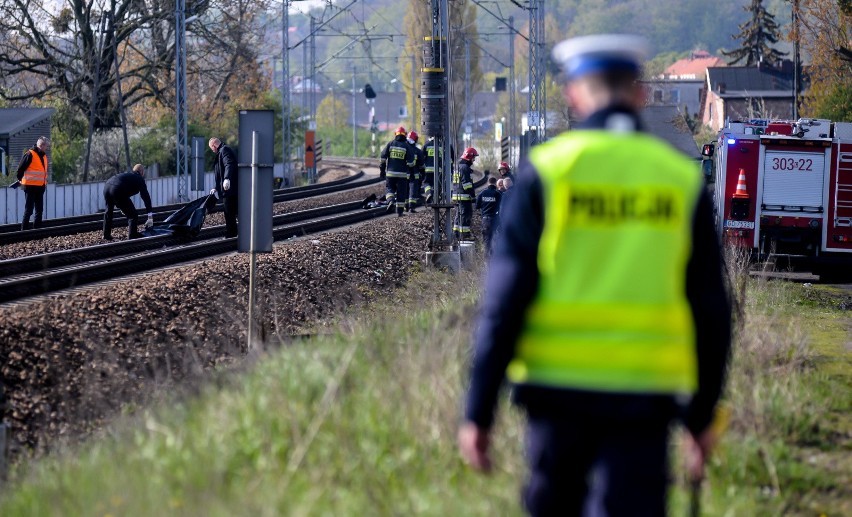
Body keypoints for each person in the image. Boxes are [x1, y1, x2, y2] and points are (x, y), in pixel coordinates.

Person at [458, 34, 732, 517]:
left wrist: (479, 411)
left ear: (573, 94)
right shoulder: (679, 180)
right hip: (645, 398)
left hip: (554, 396)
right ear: (641, 93)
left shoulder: (547, 172)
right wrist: (702, 414)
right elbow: (710, 307)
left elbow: (504, 301)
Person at [103, 164, 154, 240]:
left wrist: (122, 207)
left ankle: (106, 235)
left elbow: (122, 189)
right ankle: (132, 236)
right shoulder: (139, 179)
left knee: (109, 211)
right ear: (142, 172)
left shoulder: (128, 175)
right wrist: (150, 216)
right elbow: (146, 197)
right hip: (118, 189)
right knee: (133, 215)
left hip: (107, 186)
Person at [379, 126, 416, 217]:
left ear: (396, 134)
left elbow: (383, 157)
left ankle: (390, 201)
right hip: (402, 175)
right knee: (401, 193)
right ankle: (399, 212)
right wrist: (411, 173)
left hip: (390, 174)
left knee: (389, 189)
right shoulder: (406, 146)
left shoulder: (390, 144)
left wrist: (382, 170)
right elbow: (411, 162)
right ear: (404, 135)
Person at [16, 136, 50, 230]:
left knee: (39, 210)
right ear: (41, 145)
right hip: (29, 187)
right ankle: (24, 231)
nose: (48, 148)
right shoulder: (29, 154)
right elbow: (20, 170)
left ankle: (37, 231)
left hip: (40, 187)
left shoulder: (44, 156)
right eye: (47, 146)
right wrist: (21, 181)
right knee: (29, 210)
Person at [208, 137, 239, 238]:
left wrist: (227, 178)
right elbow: (219, 173)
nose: (212, 151)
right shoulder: (221, 152)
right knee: (233, 212)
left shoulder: (224, 150)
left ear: (214, 145)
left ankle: (232, 234)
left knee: (229, 212)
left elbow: (228, 164)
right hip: (228, 188)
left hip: (230, 190)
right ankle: (236, 233)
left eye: (211, 148)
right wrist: (216, 187)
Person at [452, 147, 478, 240]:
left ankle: (456, 233)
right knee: (465, 214)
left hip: (457, 194)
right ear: (469, 157)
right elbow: (467, 184)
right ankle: (464, 235)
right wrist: (473, 196)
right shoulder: (465, 168)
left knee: (458, 214)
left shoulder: (458, 166)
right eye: (473, 157)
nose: (474, 160)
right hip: (463, 196)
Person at [475, 176, 502, 254]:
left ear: (488, 183)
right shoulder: (498, 194)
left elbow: (477, 206)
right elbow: (501, 205)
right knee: (495, 238)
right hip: (495, 219)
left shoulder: (482, 193)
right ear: (495, 183)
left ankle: (486, 257)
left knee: (486, 240)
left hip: (485, 219)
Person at [406, 131, 425, 213]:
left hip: (404, 174)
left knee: (404, 190)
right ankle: (411, 207)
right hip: (414, 175)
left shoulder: (403, 148)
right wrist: (423, 174)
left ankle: (405, 207)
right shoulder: (418, 151)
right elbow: (421, 165)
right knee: (412, 191)